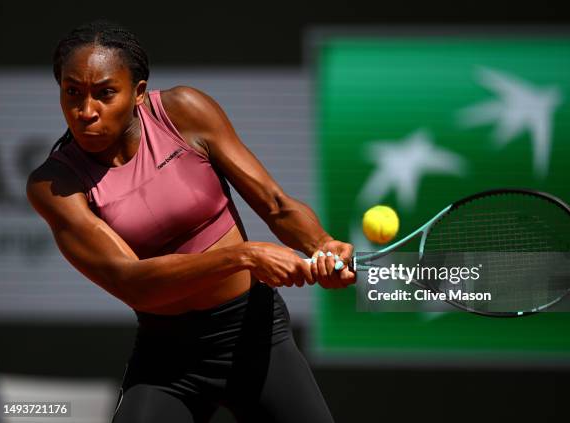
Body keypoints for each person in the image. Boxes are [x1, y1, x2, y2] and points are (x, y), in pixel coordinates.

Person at [26, 20, 355, 423]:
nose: (86, 112)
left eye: (105, 93)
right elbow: (132, 282)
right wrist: (243, 256)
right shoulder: (54, 184)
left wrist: (321, 244)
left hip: (254, 335)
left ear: (139, 94)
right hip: (167, 360)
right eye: (72, 93)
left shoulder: (183, 111)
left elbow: (275, 204)